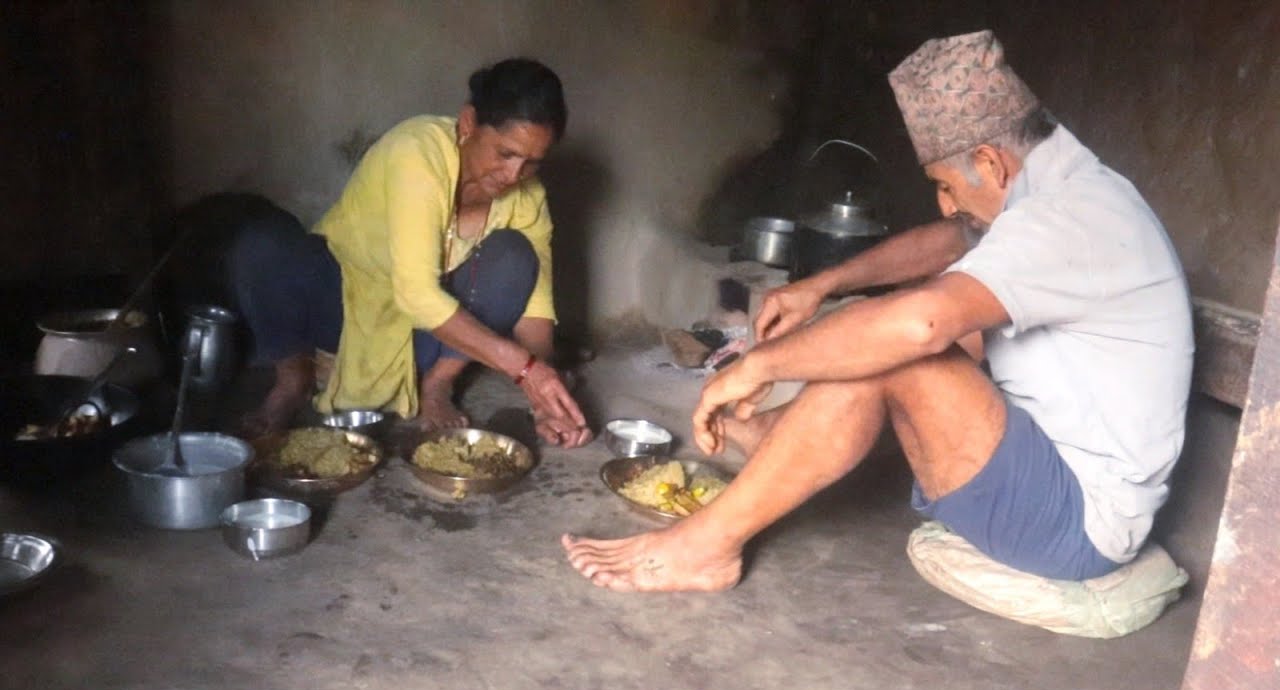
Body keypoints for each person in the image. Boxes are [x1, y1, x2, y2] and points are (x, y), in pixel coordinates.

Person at [562, 30, 1193, 592]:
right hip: (1044, 471)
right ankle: (779, 441)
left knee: (898, 350)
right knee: (889, 334)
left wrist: (758, 366)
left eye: (945, 185)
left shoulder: (1073, 218)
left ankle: (706, 547)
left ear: (989, 161)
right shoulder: (1053, 188)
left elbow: (919, 324)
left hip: (1076, 523)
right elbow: (954, 238)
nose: (945, 205)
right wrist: (822, 285)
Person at [229, 58, 592, 448]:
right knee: (261, 241)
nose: (513, 175)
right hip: (344, 308)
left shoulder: (528, 197)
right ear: (468, 123)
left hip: (430, 337)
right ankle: (292, 380)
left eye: (531, 163)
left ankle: (437, 385)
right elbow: (415, 293)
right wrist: (524, 369)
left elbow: (536, 309)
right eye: (505, 154)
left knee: (515, 257)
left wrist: (543, 398)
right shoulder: (418, 152)